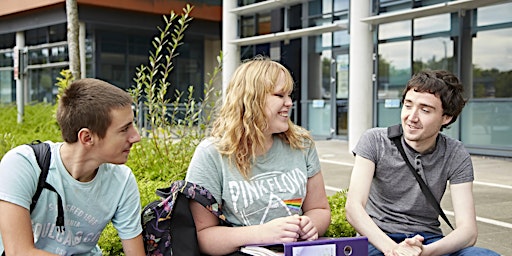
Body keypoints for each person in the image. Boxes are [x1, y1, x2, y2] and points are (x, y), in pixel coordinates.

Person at [185, 56, 331, 255]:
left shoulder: (302, 144)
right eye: (279, 95)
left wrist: (310, 224)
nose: (289, 102)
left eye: (289, 95)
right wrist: (263, 234)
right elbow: (205, 236)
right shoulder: (212, 154)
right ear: (251, 100)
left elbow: (320, 210)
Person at [345, 70, 500, 256]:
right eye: (408, 105)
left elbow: (468, 232)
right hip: (378, 239)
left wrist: (423, 252)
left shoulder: (455, 153)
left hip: (428, 241)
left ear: (446, 117)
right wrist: (394, 249)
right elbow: (353, 208)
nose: (412, 117)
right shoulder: (375, 140)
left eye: (425, 110)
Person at [0, 78, 145, 255]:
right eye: (124, 129)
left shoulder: (122, 180)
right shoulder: (24, 164)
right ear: (87, 138)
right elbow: (18, 252)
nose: (136, 137)